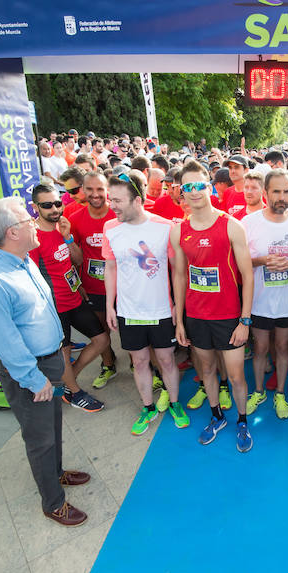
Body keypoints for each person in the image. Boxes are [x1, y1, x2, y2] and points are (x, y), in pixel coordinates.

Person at [0, 197, 90, 527]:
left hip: (50, 362)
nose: (36, 223)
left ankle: (57, 474)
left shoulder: (22, 261)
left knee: (54, 429)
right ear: (11, 232)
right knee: (40, 439)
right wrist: (35, 380)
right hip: (30, 372)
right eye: (28, 221)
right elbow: (4, 341)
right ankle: (53, 503)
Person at [171, 160, 255, 452]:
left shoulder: (231, 225)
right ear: (181, 192)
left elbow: (247, 274)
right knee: (207, 370)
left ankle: (242, 420)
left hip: (228, 316)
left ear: (209, 187)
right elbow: (180, 275)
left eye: (199, 186)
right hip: (196, 315)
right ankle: (217, 415)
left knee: (235, 375)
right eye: (187, 187)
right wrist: (179, 319)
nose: (194, 192)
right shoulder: (178, 230)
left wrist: (245, 320)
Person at [103, 173, 189, 435]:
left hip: (162, 310)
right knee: (139, 362)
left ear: (137, 200)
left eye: (117, 200)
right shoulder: (110, 229)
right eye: (111, 199)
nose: (112, 205)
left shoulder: (165, 228)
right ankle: (148, 407)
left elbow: (177, 270)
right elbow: (110, 267)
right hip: (129, 311)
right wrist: (110, 305)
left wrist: (176, 305)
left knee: (166, 360)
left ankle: (174, 403)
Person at [29, 185, 108, 413]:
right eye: (47, 205)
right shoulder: (33, 236)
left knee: (102, 340)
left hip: (74, 296)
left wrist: (68, 238)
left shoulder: (62, 227)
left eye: (57, 203)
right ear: (35, 207)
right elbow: (32, 275)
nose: (54, 209)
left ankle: (67, 379)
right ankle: (74, 392)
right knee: (63, 351)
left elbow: (78, 260)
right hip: (54, 306)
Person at [243, 169, 288, 419]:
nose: (282, 197)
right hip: (259, 300)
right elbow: (240, 260)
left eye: (286, 191)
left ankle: (280, 393)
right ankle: (259, 390)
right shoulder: (249, 223)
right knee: (260, 348)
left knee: (282, 347)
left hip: (287, 301)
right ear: (266, 193)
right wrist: (262, 260)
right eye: (276, 191)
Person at [67, 171, 119, 389]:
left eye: (100, 189)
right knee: (101, 330)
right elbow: (74, 258)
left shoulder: (118, 214)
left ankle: (139, 365)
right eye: (90, 189)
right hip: (93, 286)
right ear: (83, 190)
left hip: (121, 285)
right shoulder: (75, 219)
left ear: (106, 190)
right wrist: (77, 285)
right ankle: (108, 365)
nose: (95, 194)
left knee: (128, 329)